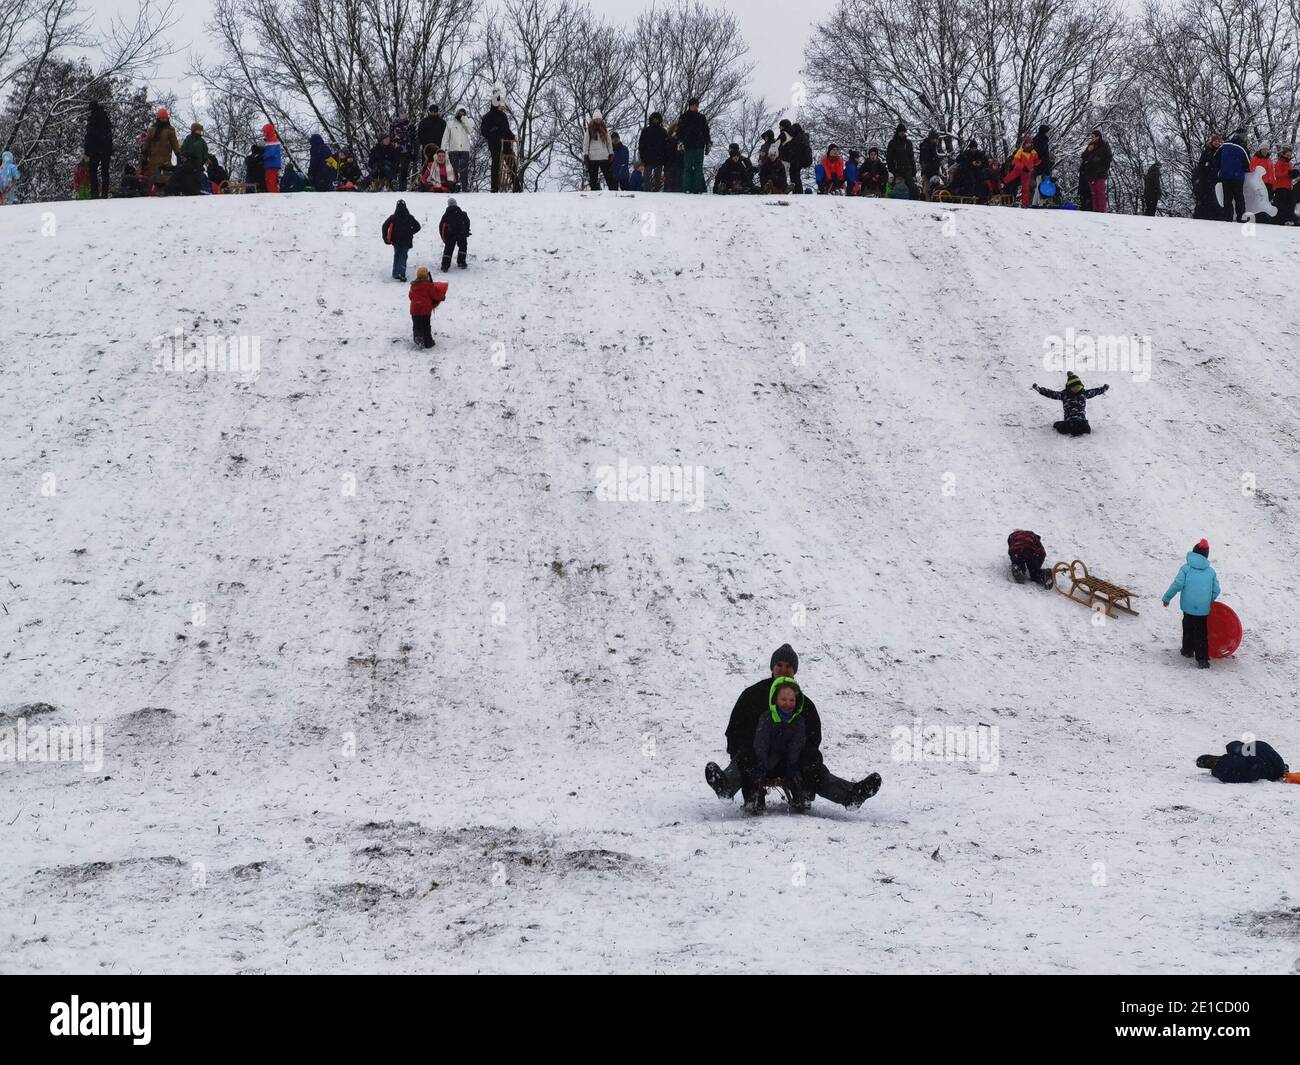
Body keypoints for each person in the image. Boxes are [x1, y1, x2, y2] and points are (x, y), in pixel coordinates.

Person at [704, 644, 881, 812]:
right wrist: (742, 750)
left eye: (788, 666)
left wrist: (807, 757)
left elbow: (813, 737)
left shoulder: (804, 703)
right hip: (758, 759)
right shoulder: (752, 695)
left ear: (794, 671)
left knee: (814, 767)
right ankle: (725, 786)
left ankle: (851, 795)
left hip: (793, 762)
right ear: (772, 667)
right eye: (779, 665)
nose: (783, 670)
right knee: (744, 760)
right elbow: (735, 730)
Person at [749, 677, 812, 813]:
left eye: (791, 700)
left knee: (797, 772)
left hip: (789, 761)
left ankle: (800, 797)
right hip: (768, 760)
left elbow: (797, 743)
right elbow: (761, 742)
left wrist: (791, 762)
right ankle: (756, 798)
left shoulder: (798, 721)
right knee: (756, 771)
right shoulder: (767, 718)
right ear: (776, 700)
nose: (787, 704)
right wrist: (763, 763)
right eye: (783, 699)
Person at [1161, 539, 1220, 669]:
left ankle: (1187, 650)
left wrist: (1167, 598)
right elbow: (1216, 590)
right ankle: (1203, 659)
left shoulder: (1186, 569)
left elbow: (1177, 585)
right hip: (1203, 609)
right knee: (1201, 633)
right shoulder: (1211, 572)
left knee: (1187, 626)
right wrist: (1208, 600)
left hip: (1187, 607)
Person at [1032, 372, 1108, 436]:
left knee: (1084, 429)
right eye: (1074, 388)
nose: (1076, 390)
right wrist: (1040, 390)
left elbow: (1095, 391)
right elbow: (1052, 393)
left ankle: (1071, 376)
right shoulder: (1064, 395)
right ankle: (1071, 375)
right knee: (1057, 425)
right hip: (1069, 424)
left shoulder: (1083, 393)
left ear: (1081, 387)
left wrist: (1103, 389)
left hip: (1082, 424)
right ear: (1069, 387)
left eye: (1078, 387)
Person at [1196, 740, 1290, 783]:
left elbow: (1250, 775)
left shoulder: (1223, 773)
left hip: (1274, 770)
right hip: (1276, 763)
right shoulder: (1234, 754)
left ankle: (1278, 769)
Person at [140, 108, 181, 195]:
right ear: (158, 118)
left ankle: (164, 191)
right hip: (153, 157)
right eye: (162, 118)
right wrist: (144, 155)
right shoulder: (152, 130)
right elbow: (147, 143)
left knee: (164, 175)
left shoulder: (170, 130)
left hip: (165, 157)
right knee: (155, 176)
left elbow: (174, 142)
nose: (163, 120)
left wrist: (178, 153)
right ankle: (155, 191)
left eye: (165, 118)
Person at [676, 97, 710, 194]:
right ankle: (687, 187)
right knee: (688, 167)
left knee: (698, 168)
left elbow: (706, 131)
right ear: (690, 106)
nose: (696, 107)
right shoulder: (684, 117)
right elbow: (679, 132)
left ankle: (697, 188)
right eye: (694, 105)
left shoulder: (701, 117)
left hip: (699, 146)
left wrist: (707, 143)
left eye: (697, 105)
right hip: (688, 146)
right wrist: (680, 143)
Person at [381, 199, 420, 281]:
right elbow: (418, 227)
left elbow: (384, 226)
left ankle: (395, 273)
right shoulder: (409, 217)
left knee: (397, 255)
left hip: (396, 240)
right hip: (406, 240)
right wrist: (411, 232)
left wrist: (385, 237)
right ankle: (401, 273)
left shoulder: (393, 217)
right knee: (403, 256)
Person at [408, 266, 446, 350]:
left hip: (415, 310)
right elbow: (435, 295)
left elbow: (410, 296)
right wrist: (442, 297)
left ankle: (418, 337)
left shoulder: (413, 286)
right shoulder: (429, 285)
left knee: (417, 325)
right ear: (426, 276)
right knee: (426, 326)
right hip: (425, 310)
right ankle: (428, 342)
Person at [481, 95, 512, 192]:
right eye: (500, 104)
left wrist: (512, 136)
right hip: (495, 144)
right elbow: (484, 132)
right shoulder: (488, 116)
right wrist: (493, 133)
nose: (502, 106)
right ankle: (494, 187)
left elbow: (507, 130)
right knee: (496, 164)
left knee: (511, 162)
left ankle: (516, 186)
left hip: (506, 143)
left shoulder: (503, 116)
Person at [1218, 129, 1250, 222]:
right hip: (1237, 177)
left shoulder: (1224, 145)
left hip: (1225, 175)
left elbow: (1217, 159)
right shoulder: (1243, 148)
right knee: (1239, 197)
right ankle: (1241, 217)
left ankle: (1227, 216)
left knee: (1227, 198)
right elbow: (1247, 164)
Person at [84, 99, 113, 199]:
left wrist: (87, 150)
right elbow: (109, 134)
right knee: (105, 171)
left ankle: (95, 193)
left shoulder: (92, 119)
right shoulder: (105, 117)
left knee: (93, 172)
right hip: (105, 149)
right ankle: (104, 193)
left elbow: (89, 136)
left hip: (95, 150)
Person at [1080, 128, 1111, 212]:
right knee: (1093, 192)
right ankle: (1095, 209)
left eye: (1093, 136)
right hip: (1091, 172)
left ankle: (1101, 208)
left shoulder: (1104, 145)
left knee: (1100, 190)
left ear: (1098, 137)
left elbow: (1108, 158)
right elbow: (1083, 157)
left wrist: (1102, 166)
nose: (1092, 138)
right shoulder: (1090, 145)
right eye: (1091, 137)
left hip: (1101, 172)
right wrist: (1088, 151)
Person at [441, 106, 473, 189]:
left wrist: (464, 119)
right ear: (456, 112)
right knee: (453, 169)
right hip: (453, 150)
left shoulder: (467, 121)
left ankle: (465, 187)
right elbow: (445, 137)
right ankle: (453, 186)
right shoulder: (450, 123)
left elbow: (470, 130)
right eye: (460, 112)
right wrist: (442, 150)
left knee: (464, 170)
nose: (461, 114)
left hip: (465, 149)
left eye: (463, 112)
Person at [637, 112, 670, 192]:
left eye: (657, 119)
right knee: (646, 178)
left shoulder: (663, 132)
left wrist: (664, 159)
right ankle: (647, 192)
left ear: (659, 120)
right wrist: (642, 158)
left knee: (657, 179)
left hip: (659, 159)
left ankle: (657, 193)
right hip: (648, 159)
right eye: (654, 119)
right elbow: (641, 145)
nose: (655, 120)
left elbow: (666, 146)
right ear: (651, 119)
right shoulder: (646, 131)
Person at [1192, 133, 1223, 219]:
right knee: (1206, 198)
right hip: (1206, 179)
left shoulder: (1221, 152)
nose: (1216, 142)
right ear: (1212, 142)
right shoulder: (1207, 151)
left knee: (1216, 198)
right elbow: (1201, 165)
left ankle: (1215, 216)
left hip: (1217, 179)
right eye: (1215, 141)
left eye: (1218, 141)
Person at [886, 123, 920, 199]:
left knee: (912, 187)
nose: (902, 133)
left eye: (903, 132)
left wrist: (913, 169)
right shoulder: (892, 143)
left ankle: (915, 201)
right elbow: (889, 158)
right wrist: (891, 169)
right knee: (896, 187)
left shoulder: (908, 143)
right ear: (897, 132)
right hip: (896, 170)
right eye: (900, 131)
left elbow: (911, 157)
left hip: (907, 169)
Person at [1004, 135, 1039, 207]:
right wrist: (1022, 167)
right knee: (1008, 179)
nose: (1028, 144)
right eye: (1027, 143)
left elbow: (1036, 161)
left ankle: (1025, 204)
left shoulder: (1034, 152)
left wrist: (1036, 165)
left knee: (1025, 188)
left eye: (1030, 143)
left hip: (1027, 172)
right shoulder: (1020, 151)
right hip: (1018, 169)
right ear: (1024, 143)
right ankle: (1001, 185)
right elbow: (1016, 160)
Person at [438, 196, 470, 272]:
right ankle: (461, 262)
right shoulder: (462, 213)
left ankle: (445, 266)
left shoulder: (446, 215)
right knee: (463, 247)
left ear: (448, 205)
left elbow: (441, 226)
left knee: (448, 250)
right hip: (461, 234)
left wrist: (444, 237)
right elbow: (467, 222)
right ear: (456, 204)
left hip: (450, 235)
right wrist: (466, 232)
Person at [583, 110, 613, 190]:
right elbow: (586, 143)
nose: (598, 120)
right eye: (596, 118)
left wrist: (611, 153)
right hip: (593, 157)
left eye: (599, 118)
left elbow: (609, 142)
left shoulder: (605, 129)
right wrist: (585, 155)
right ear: (593, 119)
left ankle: (613, 192)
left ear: (601, 119)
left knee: (609, 177)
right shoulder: (589, 129)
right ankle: (594, 193)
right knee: (593, 178)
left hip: (604, 156)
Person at [390, 110, 415, 190]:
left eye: (404, 112)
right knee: (395, 168)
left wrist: (411, 150)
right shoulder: (394, 123)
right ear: (399, 113)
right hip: (396, 149)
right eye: (401, 112)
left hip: (407, 149)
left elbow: (413, 137)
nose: (402, 114)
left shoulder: (410, 123)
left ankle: (402, 187)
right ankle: (394, 186)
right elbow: (391, 136)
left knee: (404, 169)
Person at [1273, 146, 1297, 224]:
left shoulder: (1290, 164)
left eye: (1290, 155)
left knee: (1291, 203)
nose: (1289, 157)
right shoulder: (1279, 162)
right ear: (1283, 154)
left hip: (1288, 187)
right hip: (1280, 187)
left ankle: (1289, 218)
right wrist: (1288, 173)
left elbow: (1289, 176)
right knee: (1281, 205)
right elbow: (1277, 174)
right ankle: (1281, 220)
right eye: (1287, 155)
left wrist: (1294, 175)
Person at [261, 124, 283, 193]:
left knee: (271, 182)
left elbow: (271, 152)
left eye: (264, 131)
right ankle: (272, 195)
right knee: (269, 181)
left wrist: (263, 156)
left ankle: (273, 196)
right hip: (270, 164)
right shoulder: (269, 140)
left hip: (272, 164)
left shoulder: (273, 139)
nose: (264, 133)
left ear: (268, 131)